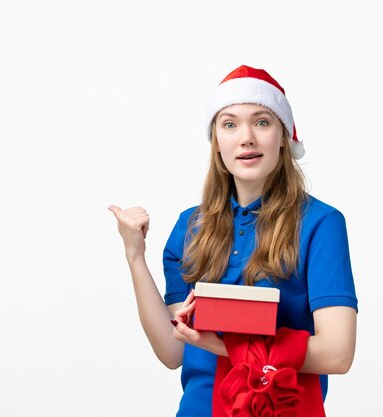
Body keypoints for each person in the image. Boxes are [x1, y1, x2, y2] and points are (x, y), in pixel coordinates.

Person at [108, 65, 358, 417]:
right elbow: (172, 351)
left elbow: (338, 353)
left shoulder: (320, 223)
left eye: (262, 122)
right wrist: (135, 256)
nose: (246, 138)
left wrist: (224, 346)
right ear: (216, 142)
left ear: (284, 136)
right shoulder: (190, 225)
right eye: (229, 124)